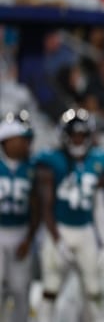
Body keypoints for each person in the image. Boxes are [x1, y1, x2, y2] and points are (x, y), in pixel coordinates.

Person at [36, 108, 104, 322]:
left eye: (82, 135)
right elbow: (46, 206)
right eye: (74, 135)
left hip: (85, 231)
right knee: (50, 289)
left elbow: (99, 206)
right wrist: (57, 239)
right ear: (65, 136)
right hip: (59, 229)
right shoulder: (53, 161)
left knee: (94, 290)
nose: (78, 139)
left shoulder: (97, 161)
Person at [0, 111, 39, 321]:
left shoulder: (32, 166)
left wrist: (29, 237)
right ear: (8, 140)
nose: (27, 144)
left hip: (20, 231)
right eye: (22, 139)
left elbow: (36, 206)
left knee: (21, 289)